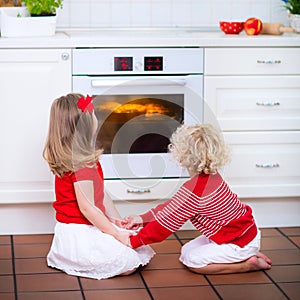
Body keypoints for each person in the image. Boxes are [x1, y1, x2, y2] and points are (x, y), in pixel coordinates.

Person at [125, 124, 272, 275]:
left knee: (193, 261)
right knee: (186, 251)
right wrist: (143, 218)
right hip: (241, 233)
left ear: (181, 158)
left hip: (237, 241)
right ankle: (245, 254)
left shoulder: (195, 192)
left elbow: (165, 224)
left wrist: (134, 241)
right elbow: (173, 207)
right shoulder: (210, 176)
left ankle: (248, 264)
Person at [43, 93, 154, 279]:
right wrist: (115, 234)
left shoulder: (84, 158)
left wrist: (117, 222)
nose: (97, 117)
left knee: (136, 247)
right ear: (85, 126)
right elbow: (87, 209)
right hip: (79, 232)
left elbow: (101, 195)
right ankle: (72, 258)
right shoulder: (80, 165)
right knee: (128, 262)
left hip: (87, 225)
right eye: (93, 114)